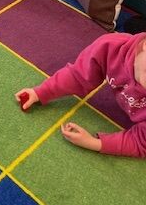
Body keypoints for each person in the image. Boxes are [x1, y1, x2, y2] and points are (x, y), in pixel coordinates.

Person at [15, 32, 146, 158]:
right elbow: (78, 76)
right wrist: (41, 92)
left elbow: (141, 142)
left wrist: (94, 143)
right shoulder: (110, 46)